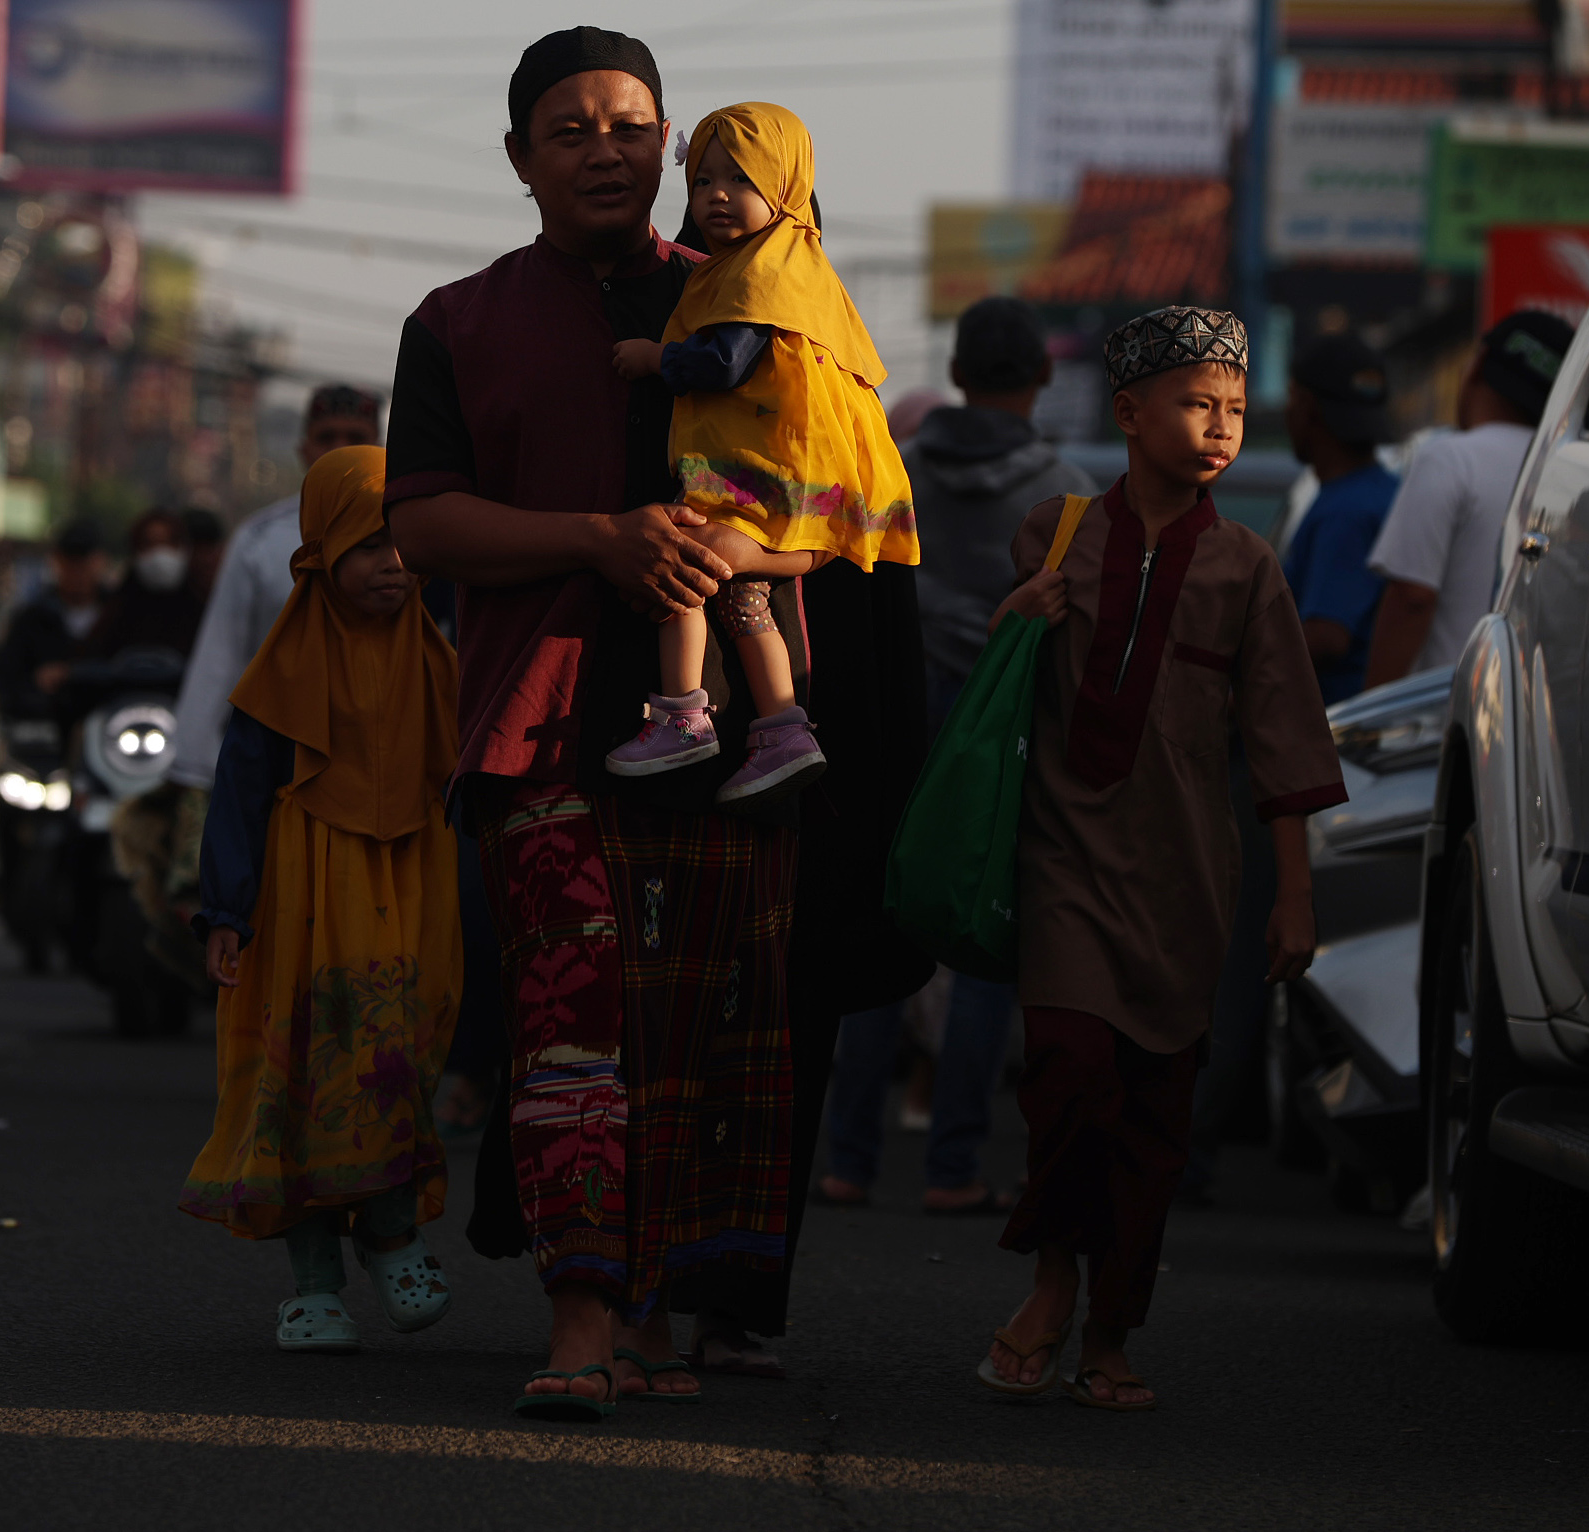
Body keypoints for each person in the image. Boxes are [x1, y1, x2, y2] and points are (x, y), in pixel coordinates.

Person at [388, 26, 817, 1417]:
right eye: (567, 129)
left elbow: (834, 508)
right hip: (538, 728)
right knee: (572, 1030)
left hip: (730, 742)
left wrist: (734, 556)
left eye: (628, 125)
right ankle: (580, 1325)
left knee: (689, 1042)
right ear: (518, 159)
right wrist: (601, 538)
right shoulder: (454, 321)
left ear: (669, 144)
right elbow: (424, 520)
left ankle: (649, 1315)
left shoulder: (753, 304)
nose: (602, 149)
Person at [976, 306, 1344, 1410]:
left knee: (1150, 1123)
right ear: (1129, 415)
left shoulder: (1245, 566)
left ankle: (1110, 1331)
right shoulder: (1051, 533)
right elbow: (1004, 688)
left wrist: (1292, 896)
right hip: (1063, 862)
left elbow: (1283, 741)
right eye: (1195, 404)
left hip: (1186, 879)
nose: (1218, 426)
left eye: (1233, 409)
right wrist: (1015, 617)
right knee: (1067, 1076)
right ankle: (1049, 1280)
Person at [179, 446, 464, 1353]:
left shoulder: (437, 657)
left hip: (411, 885)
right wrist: (225, 911)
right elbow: (236, 793)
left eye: (403, 543)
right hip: (302, 892)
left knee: (395, 1055)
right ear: (321, 551)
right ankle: (312, 1284)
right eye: (369, 544)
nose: (393, 564)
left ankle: (387, 1235)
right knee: (300, 1069)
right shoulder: (285, 670)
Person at [820, 295, 1093, 1217]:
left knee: (881, 920)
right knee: (979, 938)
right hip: (1000, 723)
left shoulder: (892, 469)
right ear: (1042, 378)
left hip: (894, 712)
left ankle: (846, 1161)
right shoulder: (1062, 485)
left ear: (962, 371)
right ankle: (954, 1170)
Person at [601, 101, 916, 806]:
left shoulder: (754, 276)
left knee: (677, 556)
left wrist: (658, 358)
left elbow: (722, 363)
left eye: (739, 180)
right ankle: (781, 728)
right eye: (703, 179)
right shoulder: (800, 272)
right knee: (744, 598)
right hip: (801, 495)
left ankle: (681, 713)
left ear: (785, 189)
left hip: (757, 482)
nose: (715, 196)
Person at [168, 386, 384, 795]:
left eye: (355, 438)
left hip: (381, 757)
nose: (339, 450)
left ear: (378, 446)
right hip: (278, 757)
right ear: (304, 448)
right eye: (327, 437)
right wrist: (192, 765)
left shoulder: (411, 537)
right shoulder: (259, 540)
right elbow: (222, 652)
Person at [1361, 311, 1573, 689]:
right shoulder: (1571, 472)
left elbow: (1412, 598)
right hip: (1534, 716)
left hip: (1443, 718)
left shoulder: (1449, 458)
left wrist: (1374, 714)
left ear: (1475, 370)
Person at [1279, 332, 1402, 704]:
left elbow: (1326, 636)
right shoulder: (1387, 490)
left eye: (1290, 397)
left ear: (1307, 405)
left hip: (1337, 735)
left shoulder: (1344, 512)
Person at [0, 518, 109, 719]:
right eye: (70, 562)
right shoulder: (32, 618)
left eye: (84, 562)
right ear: (57, 562)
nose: (77, 572)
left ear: (99, 562)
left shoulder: (117, 613)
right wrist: (37, 682)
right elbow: (5, 680)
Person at [94, 508, 206, 658]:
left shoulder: (203, 613)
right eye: (150, 545)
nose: (159, 554)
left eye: (167, 544)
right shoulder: (115, 614)